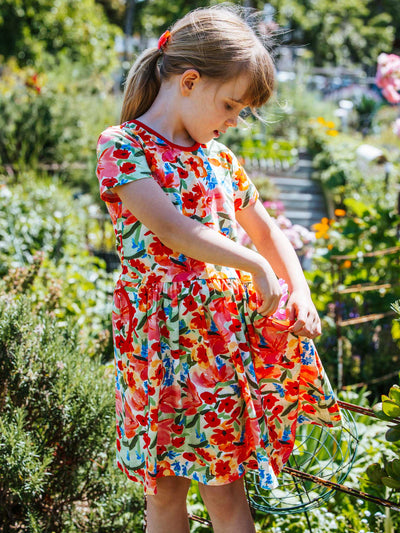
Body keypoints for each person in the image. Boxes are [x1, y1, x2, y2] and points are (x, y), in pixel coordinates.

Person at [96, 5, 341, 533]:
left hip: (216, 343)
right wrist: (254, 266)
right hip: (155, 341)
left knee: (225, 490)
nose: (234, 121)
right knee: (163, 490)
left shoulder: (220, 160)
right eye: (231, 105)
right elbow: (175, 231)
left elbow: (269, 231)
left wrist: (299, 290)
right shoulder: (123, 148)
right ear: (189, 80)